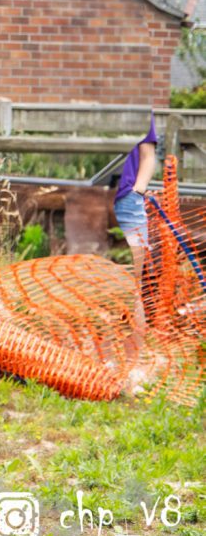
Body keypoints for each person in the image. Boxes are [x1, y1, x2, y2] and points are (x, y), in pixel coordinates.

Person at [112, 113, 157, 368]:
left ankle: (133, 364)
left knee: (133, 284)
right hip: (91, 198)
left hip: (127, 202)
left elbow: (148, 155)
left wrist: (137, 189)